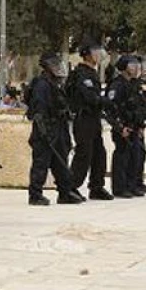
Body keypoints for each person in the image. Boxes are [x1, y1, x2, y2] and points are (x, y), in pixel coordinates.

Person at [27, 54, 85, 206]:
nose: (58, 69)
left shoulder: (56, 85)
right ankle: (35, 194)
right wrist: (43, 130)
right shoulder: (42, 85)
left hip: (59, 128)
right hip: (46, 129)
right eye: (55, 66)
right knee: (41, 163)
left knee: (61, 162)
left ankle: (64, 192)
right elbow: (39, 110)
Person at [67, 43, 113, 200]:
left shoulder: (92, 73)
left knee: (99, 153)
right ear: (87, 54)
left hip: (93, 119)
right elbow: (89, 97)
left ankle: (96, 186)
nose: (98, 56)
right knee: (83, 153)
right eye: (95, 53)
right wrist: (103, 101)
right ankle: (71, 186)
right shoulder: (81, 74)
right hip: (83, 118)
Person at [105, 56, 146, 197]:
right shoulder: (117, 85)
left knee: (135, 157)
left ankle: (132, 184)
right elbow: (111, 108)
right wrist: (120, 126)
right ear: (124, 67)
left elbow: (138, 107)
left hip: (134, 126)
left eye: (136, 65)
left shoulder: (133, 85)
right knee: (122, 157)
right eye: (131, 65)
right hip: (123, 127)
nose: (135, 68)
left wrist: (140, 125)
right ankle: (119, 188)